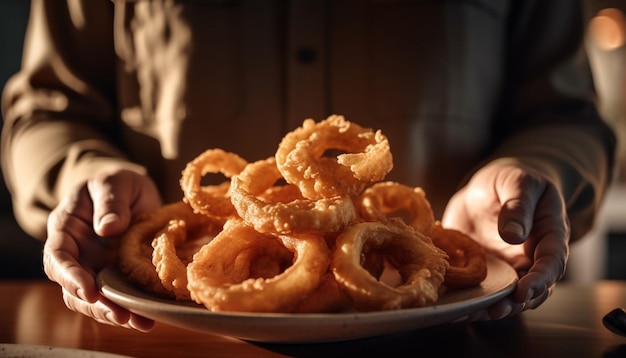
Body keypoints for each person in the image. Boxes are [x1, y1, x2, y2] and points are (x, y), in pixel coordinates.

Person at [1, 0, 616, 331]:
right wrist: (79, 172)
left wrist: (532, 170)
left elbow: (569, 115)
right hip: (174, 339)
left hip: (450, 340)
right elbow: (46, 110)